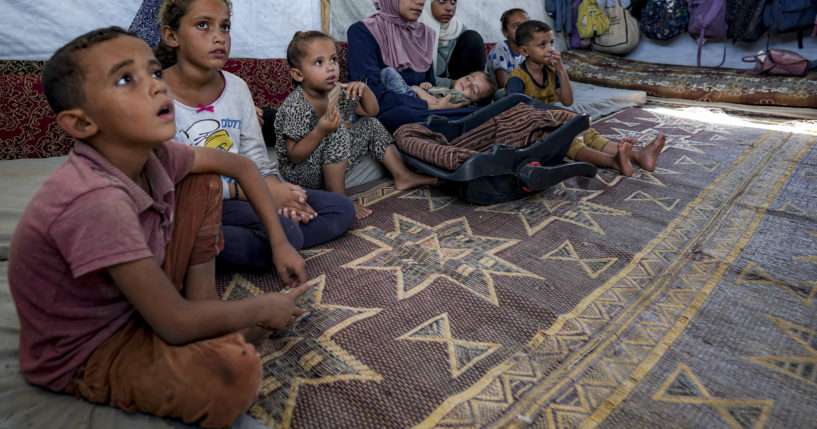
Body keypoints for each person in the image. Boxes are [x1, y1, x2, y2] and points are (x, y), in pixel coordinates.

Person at [8, 26, 311, 428]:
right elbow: (171, 322)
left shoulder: (157, 155)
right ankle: (203, 327)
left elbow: (238, 165)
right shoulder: (94, 200)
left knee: (204, 180)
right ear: (80, 124)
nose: (155, 87)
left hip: (138, 304)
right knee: (233, 373)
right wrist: (263, 306)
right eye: (124, 79)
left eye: (153, 73)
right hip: (91, 348)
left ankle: (204, 307)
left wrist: (278, 244)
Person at [156, 0, 355, 269]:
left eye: (224, 26)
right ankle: (190, 244)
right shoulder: (155, 93)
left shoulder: (237, 87)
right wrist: (256, 195)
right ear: (172, 36)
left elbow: (256, 157)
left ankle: (246, 241)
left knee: (341, 209)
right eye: (203, 25)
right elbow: (169, 177)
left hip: (249, 191)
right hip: (198, 203)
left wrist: (276, 190)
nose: (218, 36)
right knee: (287, 232)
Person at [276, 31, 438, 219]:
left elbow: (371, 112)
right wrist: (321, 129)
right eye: (319, 62)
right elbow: (294, 156)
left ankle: (402, 175)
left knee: (370, 124)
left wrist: (365, 89)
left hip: (327, 163)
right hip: (302, 173)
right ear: (298, 74)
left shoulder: (336, 92)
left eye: (333, 60)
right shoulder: (295, 106)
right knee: (336, 130)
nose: (330, 68)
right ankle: (338, 197)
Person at [506, 20, 666, 176]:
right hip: (531, 132)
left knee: (586, 131)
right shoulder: (517, 79)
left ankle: (639, 156)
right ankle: (613, 161)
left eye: (551, 43)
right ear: (524, 51)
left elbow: (568, 101)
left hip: (551, 121)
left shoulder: (550, 71)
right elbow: (516, 116)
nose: (550, 49)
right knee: (568, 141)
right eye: (542, 45)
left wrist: (561, 70)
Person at [346, 0, 481, 130]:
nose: (421, 2)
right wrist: (430, 107)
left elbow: (430, 85)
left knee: (475, 110)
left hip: (426, 110)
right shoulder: (362, 32)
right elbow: (371, 97)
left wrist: (438, 102)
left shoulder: (424, 34)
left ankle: (455, 120)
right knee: (403, 115)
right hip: (389, 113)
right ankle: (457, 121)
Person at [418, 0, 486, 89]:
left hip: (463, 86)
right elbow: (416, 78)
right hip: (428, 86)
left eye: (453, 2)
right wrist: (453, 83)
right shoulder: (417, 29)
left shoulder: (458, 28)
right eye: (442, 1)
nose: (449, 8)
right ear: (428, 3)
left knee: (473, 38)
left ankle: (473, 92)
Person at [381, 67, 497, 107]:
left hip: (411, 99)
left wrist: (418, 89)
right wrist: (427, 87)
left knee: (389, 73)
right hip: (412, 96)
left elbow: (435, 102)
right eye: (468, 79)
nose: (467, 84)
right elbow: (433, 94)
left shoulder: (457, 100)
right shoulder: (449, 91)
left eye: (473, 89)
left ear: (474, 104)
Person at [485, 8, 530, 90]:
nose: (523, 30)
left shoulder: (526, 52)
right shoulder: (501, 48)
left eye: (527, 26)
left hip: (515, 91)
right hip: (498, 93)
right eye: (517, 26)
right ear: (505, 32)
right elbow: (503, 84)